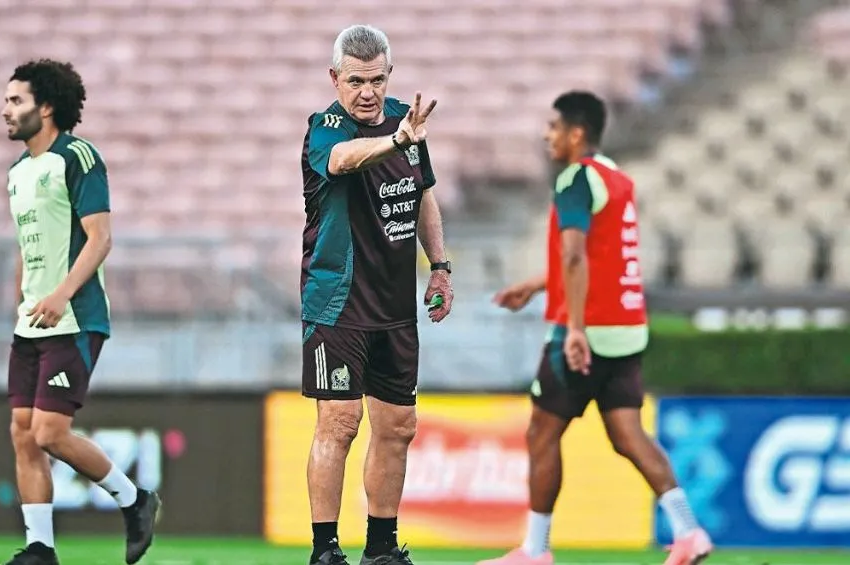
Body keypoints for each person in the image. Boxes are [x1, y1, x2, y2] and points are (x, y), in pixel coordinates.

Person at [479, 91, 712, 565]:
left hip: (586, 332)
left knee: (541, 434)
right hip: (626, 328)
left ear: (577, 133)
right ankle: (690, 531)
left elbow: (574, 254)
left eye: (554, 127)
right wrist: (536, 285)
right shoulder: (616, 178)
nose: (547, 135)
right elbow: (598, 258)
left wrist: (575, 328)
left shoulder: (575, 179)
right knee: (628, 434)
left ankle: (535, 551)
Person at [299, 24, 453, 565]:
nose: (368, 92)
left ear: (390, 76)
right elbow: (343, 160)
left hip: (394, 307)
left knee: (398, 427)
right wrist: (398, 141)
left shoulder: (407, 123)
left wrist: (440, 267)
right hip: (337, 304)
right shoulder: (325, 128)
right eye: (356, 81)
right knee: (340, 422)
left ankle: (382, 548)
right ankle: (325, 550)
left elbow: (423, 195)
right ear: (335, 78)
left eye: (378, 80)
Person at [1, 59, 159, 565]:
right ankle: (40, 548)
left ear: (46, 107)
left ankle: (134, 500)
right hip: (32, 321)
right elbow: (29, 247)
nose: (6, 110)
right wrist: (24, 299)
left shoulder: (78, 157)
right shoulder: (18, 172)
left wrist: (63, 294)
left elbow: (100, 238)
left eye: (16, 100)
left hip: (74, 316)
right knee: (23, 431)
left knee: (49, 432)